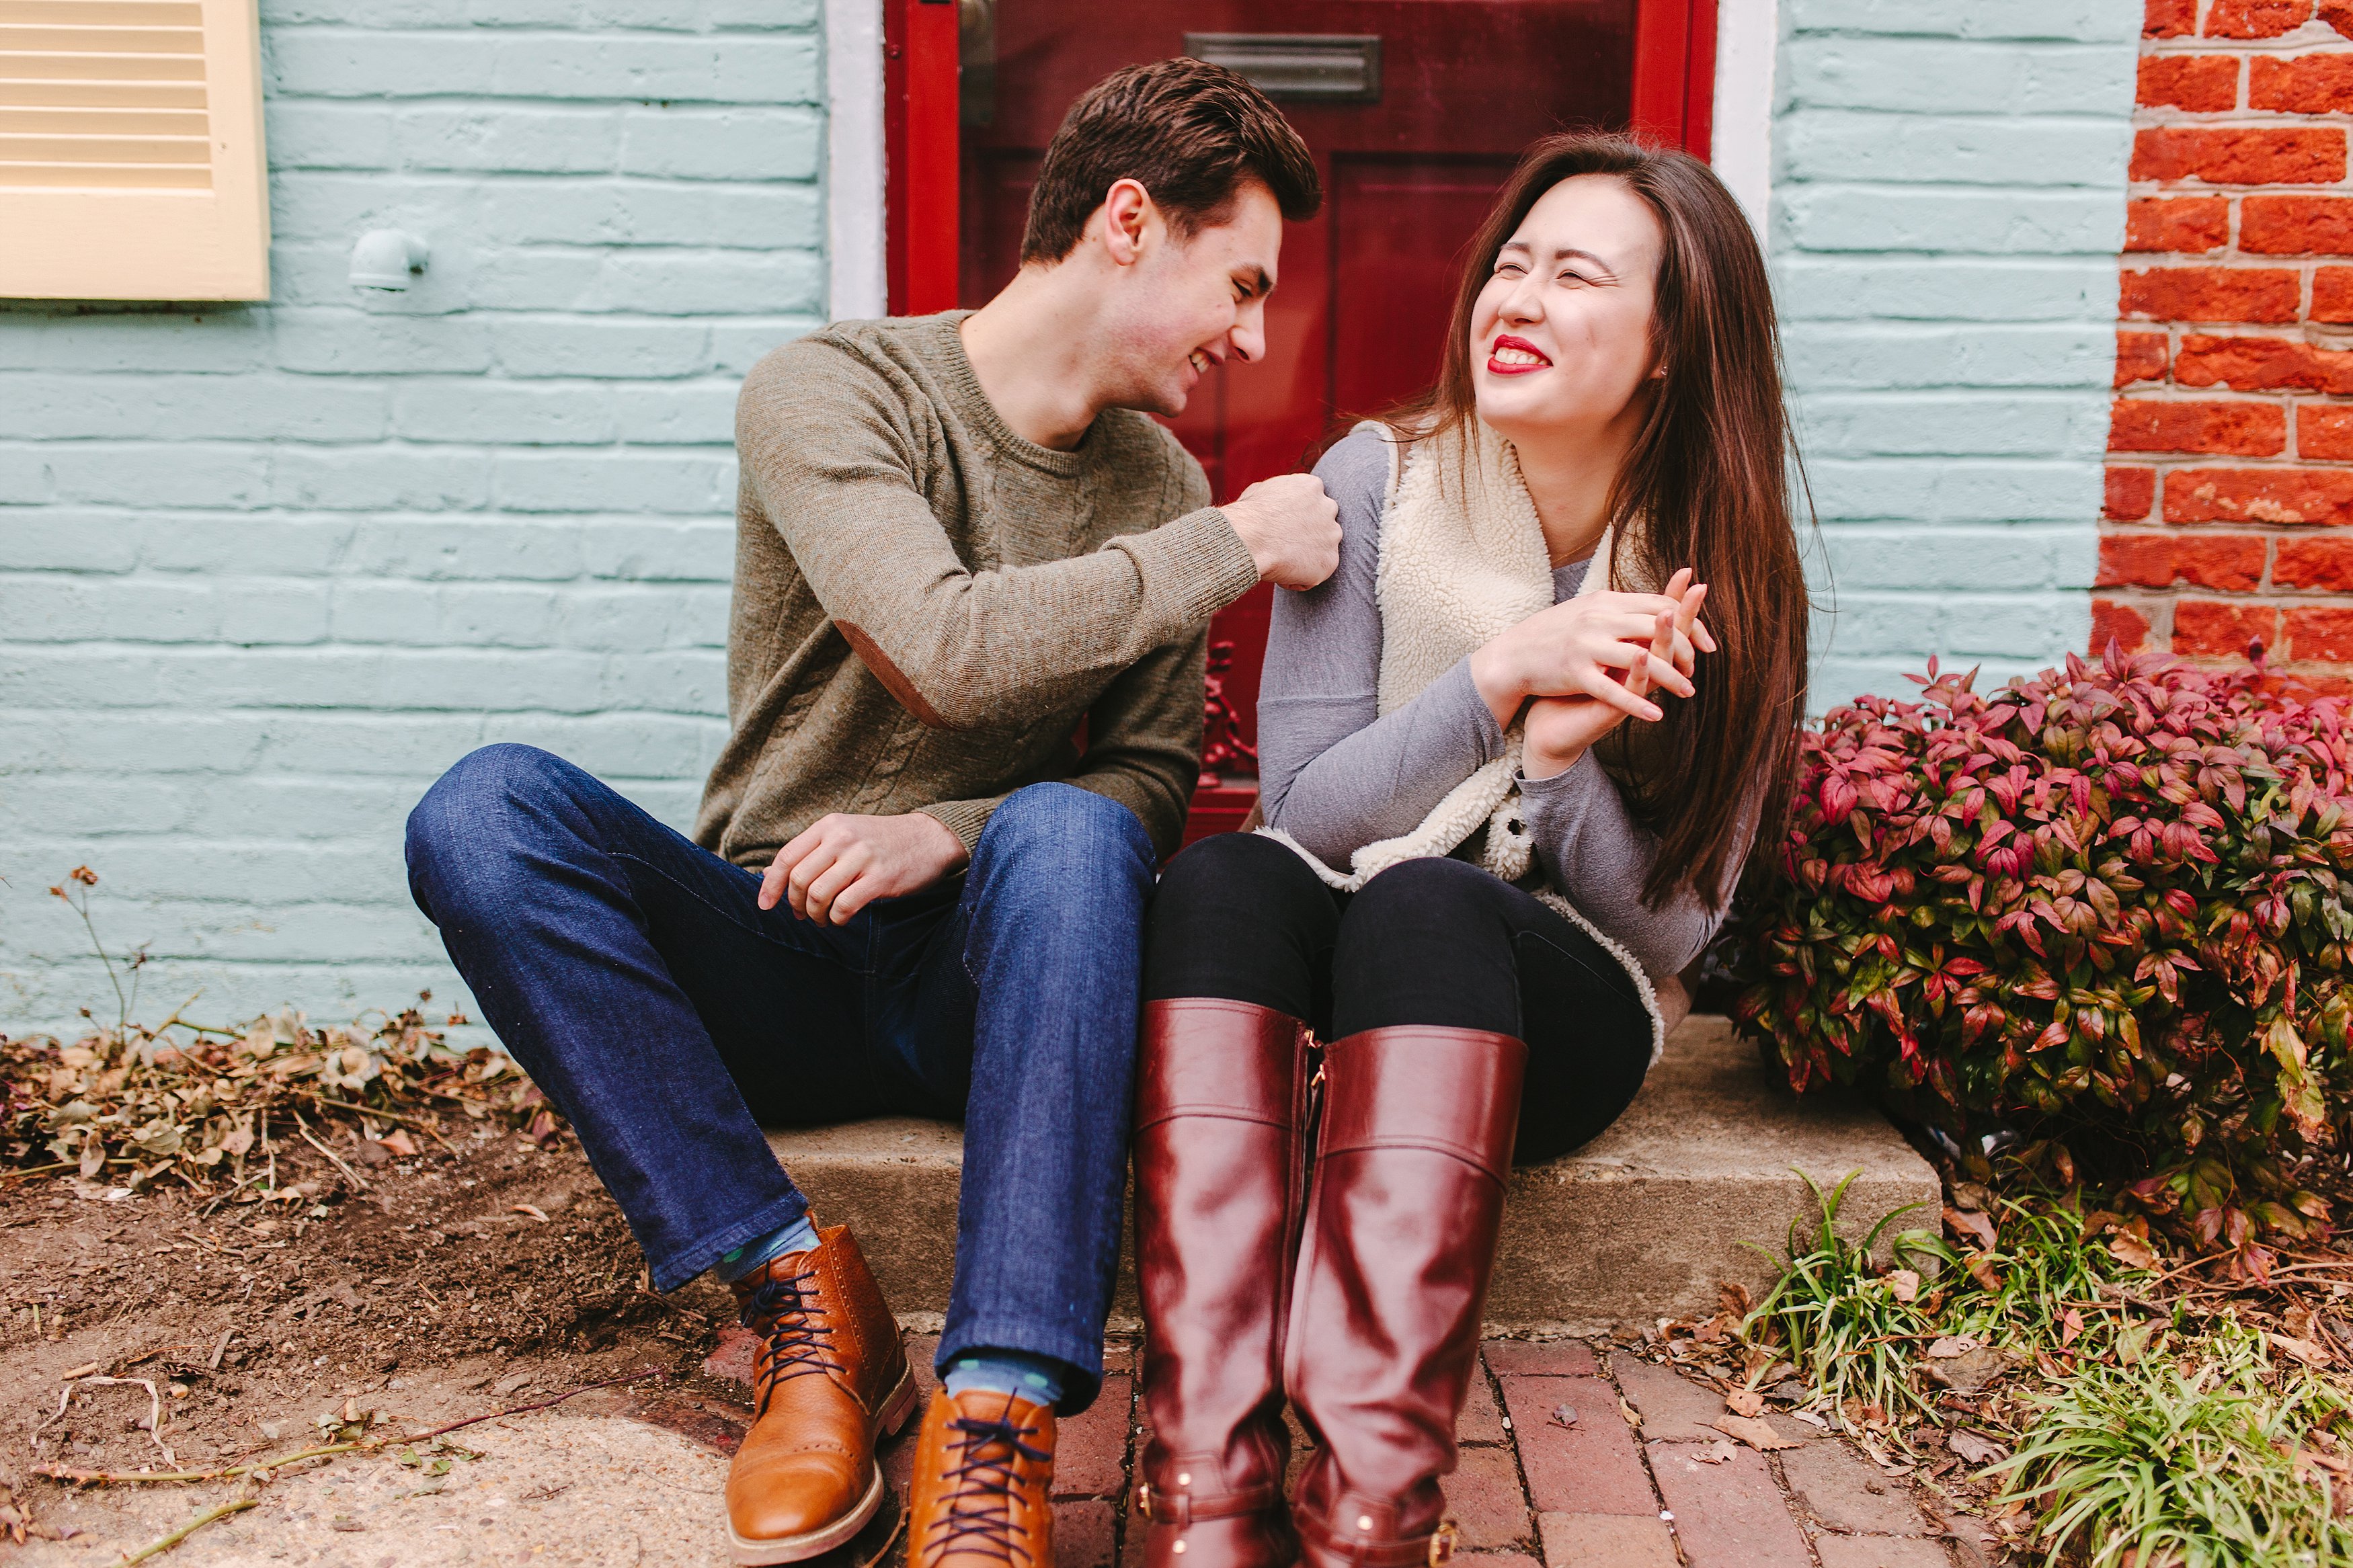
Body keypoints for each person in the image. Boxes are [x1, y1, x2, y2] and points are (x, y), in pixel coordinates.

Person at [402, 60, 1341, 1568]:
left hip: (985, 975)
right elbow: (942, 644)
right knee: (484, 810)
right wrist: (1229, 544)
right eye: (1239, 280)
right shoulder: (833, 389)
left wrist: (949, 834)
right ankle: (804, 1307)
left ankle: (996, 1418)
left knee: (1078, 833)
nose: (1251, 333)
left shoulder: (1162, 484)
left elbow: (1153, 785)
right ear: (1125, 222)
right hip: (772, 943)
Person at [1129, 133, 1813, 1568]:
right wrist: (1497, 676)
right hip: (1339, 998)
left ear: (1672, 341)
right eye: (1511, 263)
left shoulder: (1722, 557)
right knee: (1222, 876)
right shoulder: (1380, 486)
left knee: (1432, 906)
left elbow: (1674, 935)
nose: (1518, 297)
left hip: (1547, 1016)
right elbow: (1305, 814)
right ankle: (1205, 1482)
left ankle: (1369, 1512)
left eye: (1575, 275)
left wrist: (1558, 768)